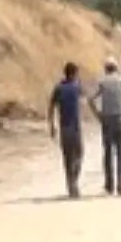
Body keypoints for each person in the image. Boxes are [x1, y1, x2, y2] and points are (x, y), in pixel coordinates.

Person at [87, 56, 121, 196]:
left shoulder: (102, 82)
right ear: (116, 68)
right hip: (120, 118)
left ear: (106, 69)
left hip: (107, 120)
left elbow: (90, 99)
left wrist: (97, 115)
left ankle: (109, 185)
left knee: (108, 153)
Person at [47, 61, 84, 198]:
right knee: (78, 154)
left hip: (65, 127)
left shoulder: (59, 88)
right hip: (74, 127)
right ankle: (73, 183)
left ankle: (72, 183)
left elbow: (51, 108)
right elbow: (85, 100)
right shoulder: (76, 86)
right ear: (74, 74)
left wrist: (52, 125)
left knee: (69, 157)